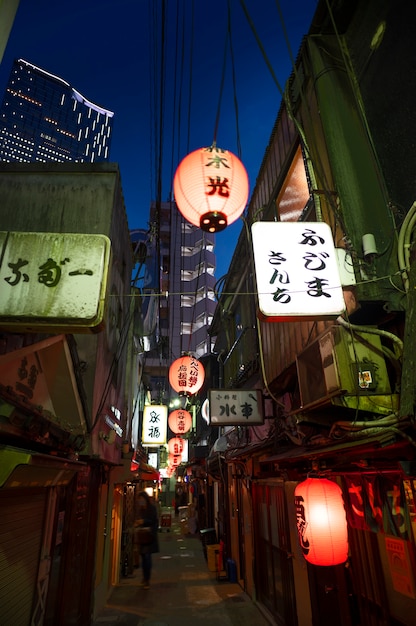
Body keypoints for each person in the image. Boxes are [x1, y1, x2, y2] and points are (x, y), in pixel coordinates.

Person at [135, 491, 159, 589]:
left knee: (147, 558)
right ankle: (144, 579)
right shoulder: (140, 510)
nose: (140, 501)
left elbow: (154, 521)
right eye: (139, 500)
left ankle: (147, 580)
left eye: (142, 499)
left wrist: (144, 521)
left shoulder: (151, 508)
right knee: (143, 558)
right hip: (142, 536)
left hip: (149, 536)